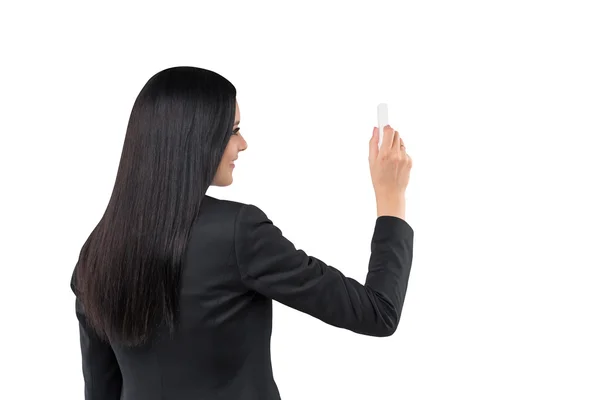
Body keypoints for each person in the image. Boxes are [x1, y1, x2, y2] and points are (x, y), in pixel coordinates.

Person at [70, 66, 414, 400]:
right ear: (196, 139)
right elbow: (378, 313)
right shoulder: (238, 233)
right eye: (233, 130)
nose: (244, 143)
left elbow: (100, 391)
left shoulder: (97, 250)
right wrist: (391, 198)